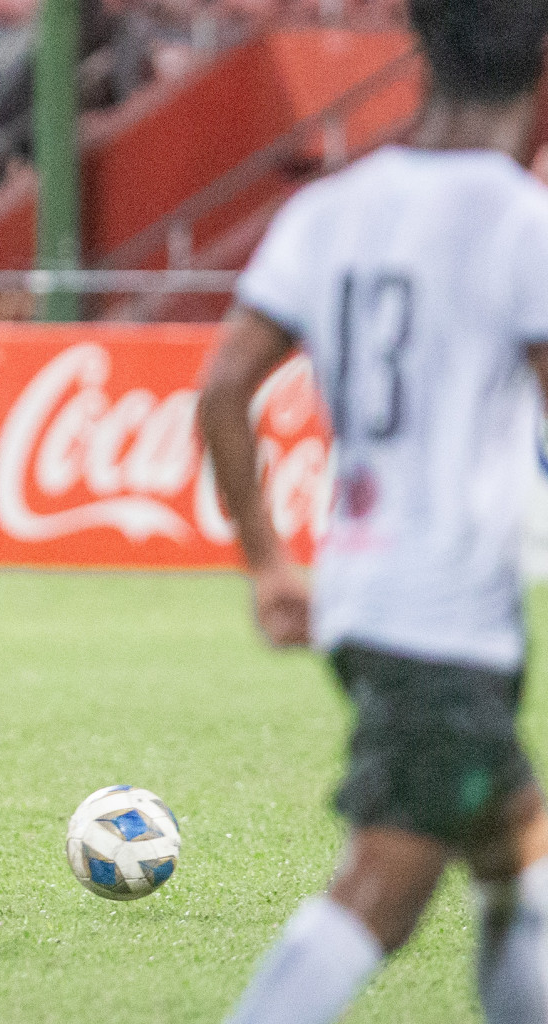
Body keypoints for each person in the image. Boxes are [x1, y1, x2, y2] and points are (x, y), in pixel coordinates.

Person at [198, 1, 548, 1020]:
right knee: (382, 891)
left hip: (364, 591)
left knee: (518, 848)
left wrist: (267, 560)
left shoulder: (330, 210)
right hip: (446, 614)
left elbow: (224, 389)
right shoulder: (522, 223)